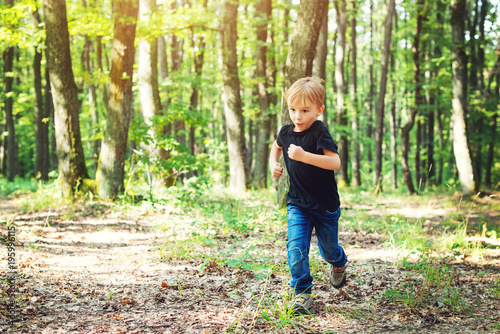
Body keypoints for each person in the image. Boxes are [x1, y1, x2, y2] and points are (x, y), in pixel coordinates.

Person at [269, 76, 348, 314]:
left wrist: (305, 156)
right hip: (298, 204)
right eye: (293, 110)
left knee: (328, 251)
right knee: (296, 249)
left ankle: (339, 262)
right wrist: (274, 164)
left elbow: (335, 162)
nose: (298, 117)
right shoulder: (286, 132)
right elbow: (276, 146)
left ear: (319, 110)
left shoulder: (319, 131)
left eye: (305, 110)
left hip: (325, 206)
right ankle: (302, 293)